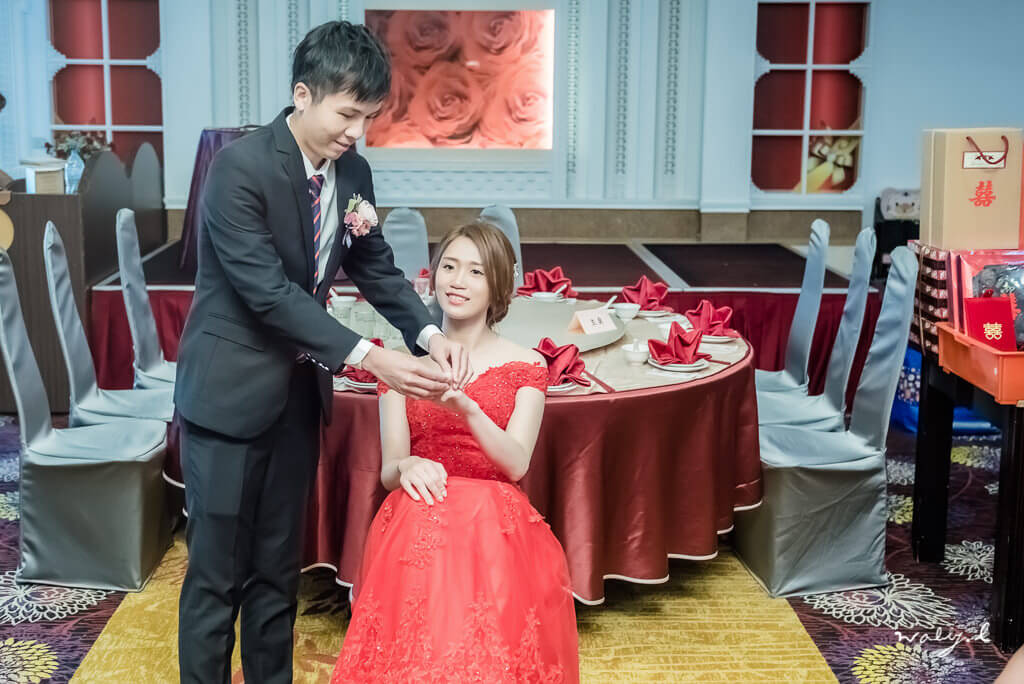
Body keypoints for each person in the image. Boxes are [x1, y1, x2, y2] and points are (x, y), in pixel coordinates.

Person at [173, 21, 471, 684]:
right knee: (217, 581)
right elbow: (268, 294)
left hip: (297, 403)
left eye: (368, 118)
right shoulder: (239, 169)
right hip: (227, 398)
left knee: (277, 574)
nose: (356, 133)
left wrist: (429, 334)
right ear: (303, 94)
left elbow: (376, 266)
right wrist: (371, 357)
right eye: (346, 115)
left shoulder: (352, 171)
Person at [331, 221, 580, 682]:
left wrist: (469, 410)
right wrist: (409, 464)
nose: (457, 281)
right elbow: (389, 469)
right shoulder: (403, 366)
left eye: (475, 271)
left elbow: (516, 463)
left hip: (493, 513)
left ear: (498, 285)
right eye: (449, 267)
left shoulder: (526, 364)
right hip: (422, 508)